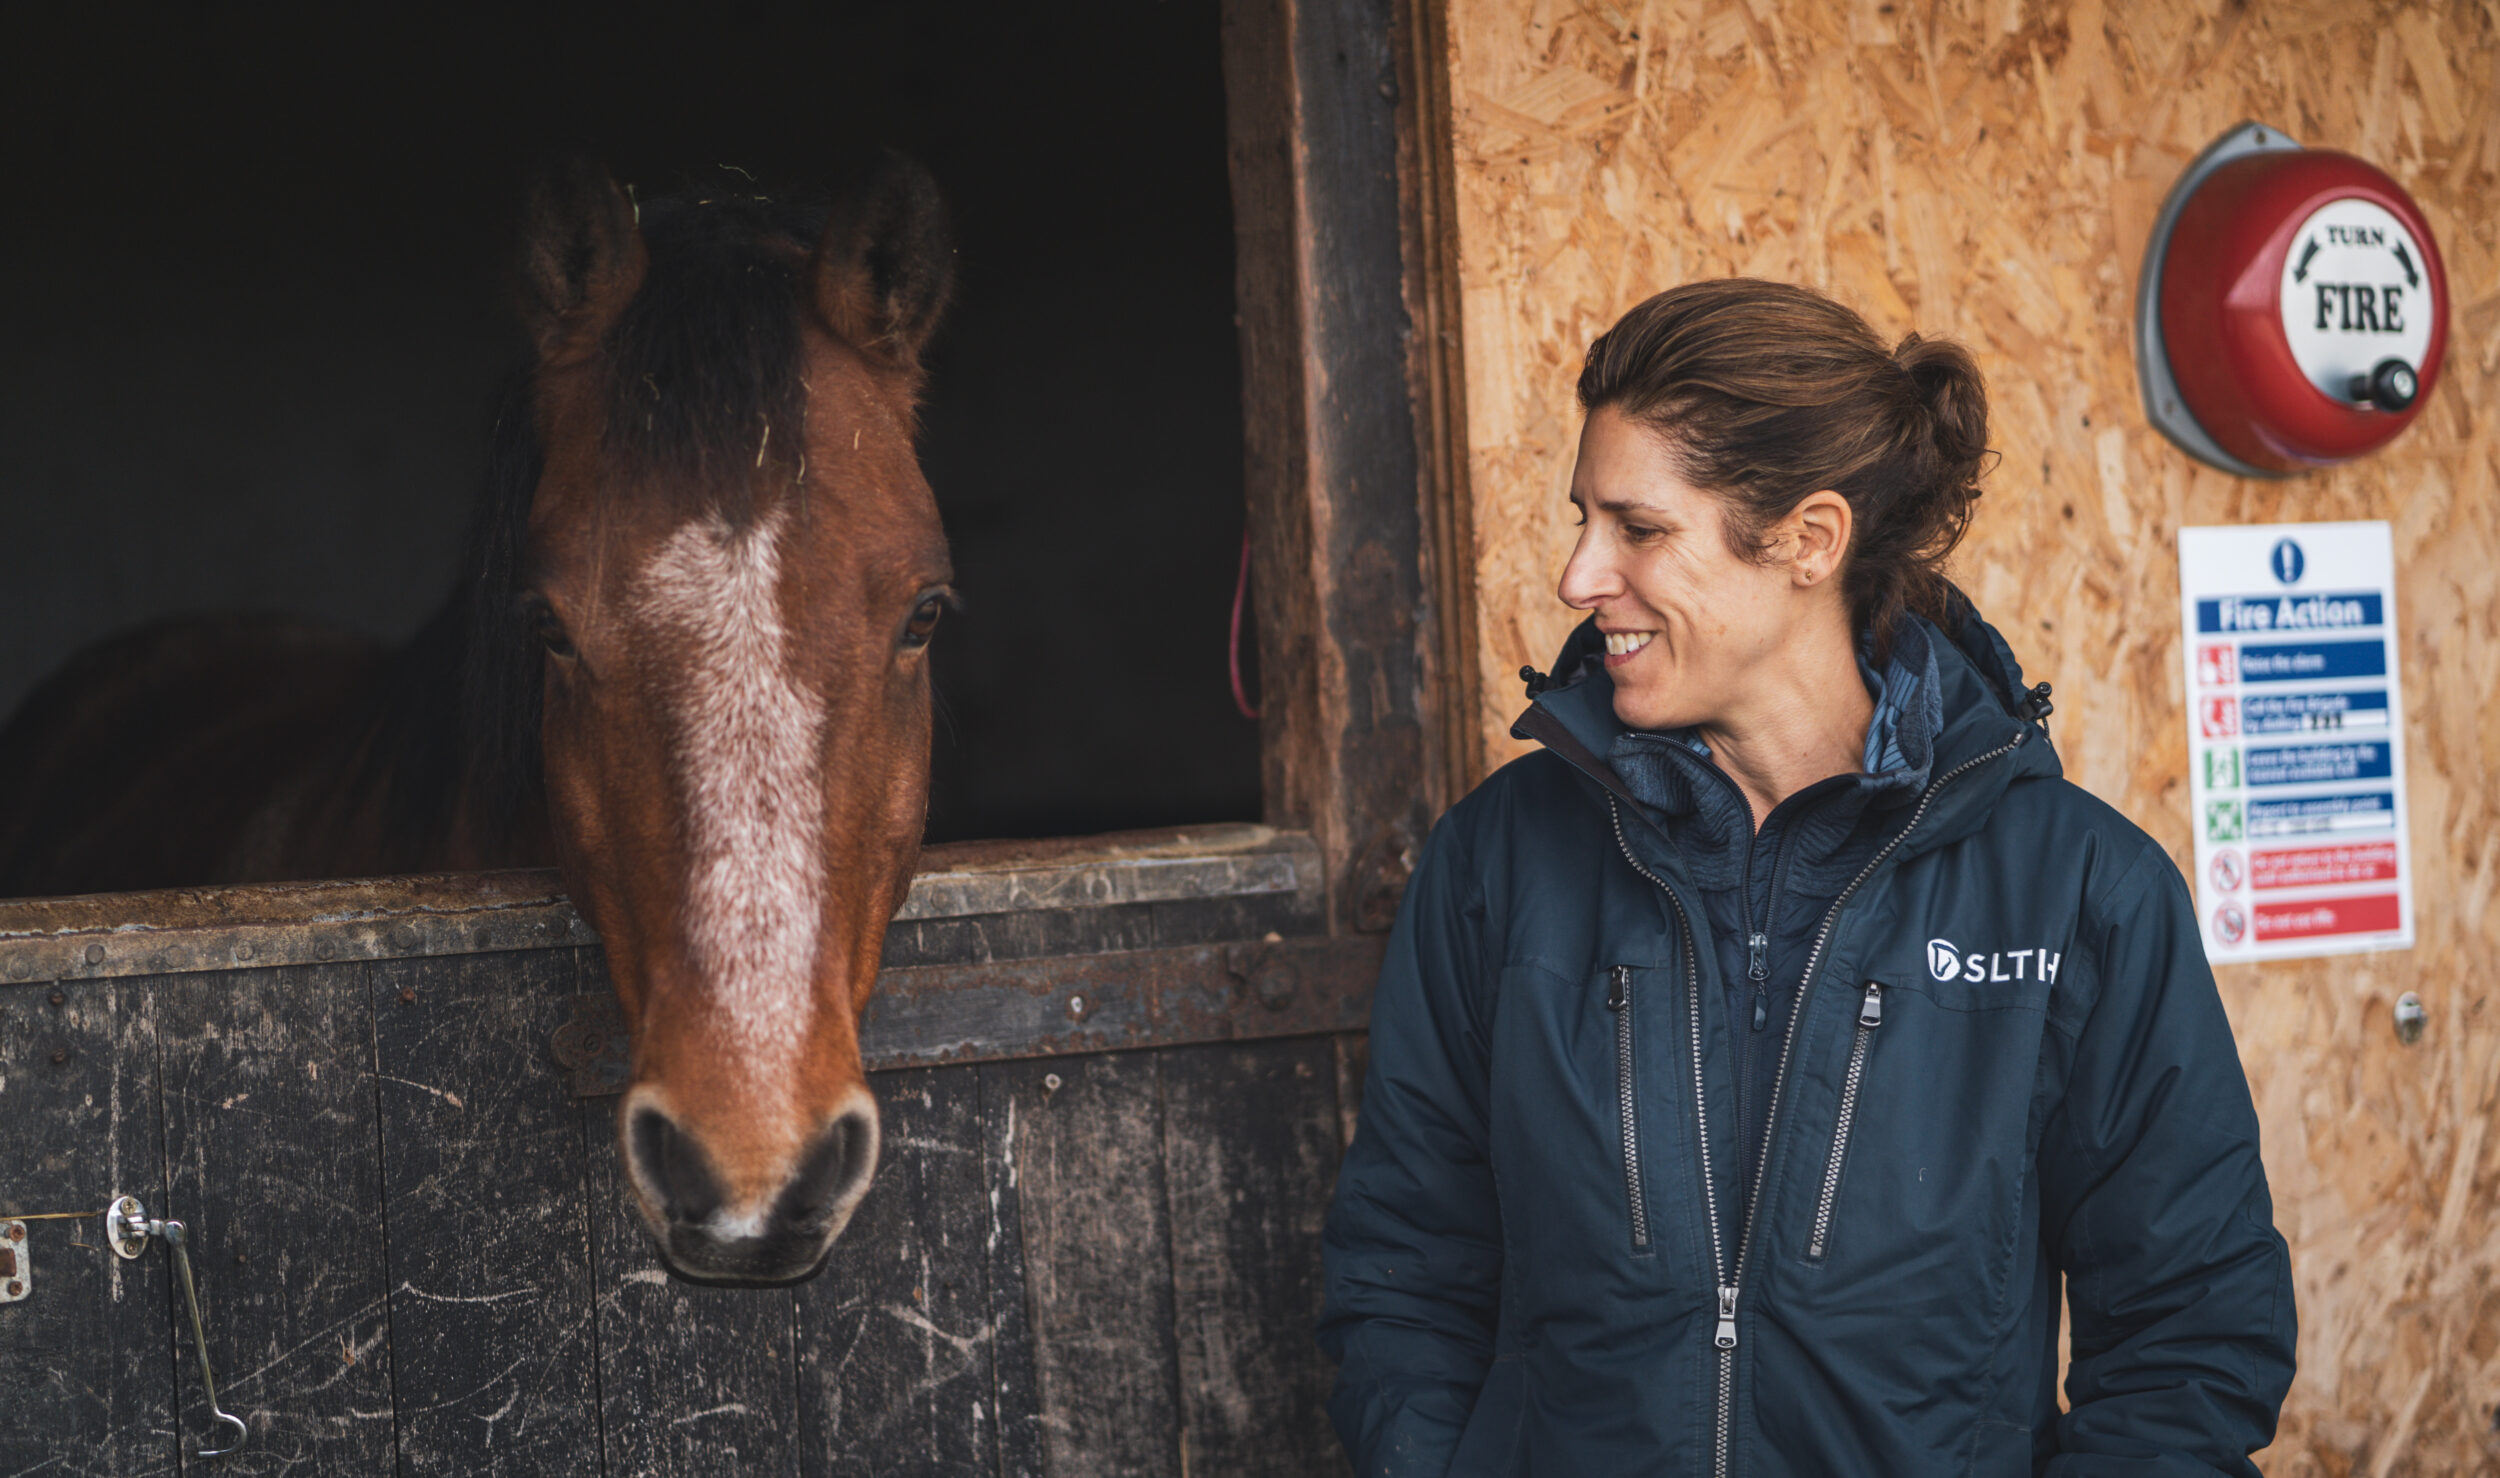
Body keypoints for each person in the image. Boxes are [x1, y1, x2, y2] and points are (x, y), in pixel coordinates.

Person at [1318, 279, 2296, 1476]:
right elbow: (1405, 1269)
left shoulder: (2078, 891)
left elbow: (2191, 1335)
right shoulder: (1499, 863)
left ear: (1809, 540)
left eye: (1638, 527)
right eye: (1583, 519)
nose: (1579, 576)